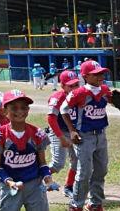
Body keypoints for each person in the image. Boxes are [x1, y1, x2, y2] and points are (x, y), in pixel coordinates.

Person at [61, 60, 118, 211]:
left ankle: (95, 203)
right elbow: (63, 110)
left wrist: (115, 100)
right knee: (84, 172)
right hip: (84, 136)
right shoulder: (79, 93)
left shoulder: (105, 90)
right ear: (85, 76)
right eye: (96, 74)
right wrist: (72, 130)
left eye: (102, 73)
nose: (100, 76)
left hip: (101, 134)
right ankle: (76, 205)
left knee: (101, 170)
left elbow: (111, 102)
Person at [0, 90, 57, 210]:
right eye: (14, 108)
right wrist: (9, 182)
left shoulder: (37, 133)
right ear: (5, 111)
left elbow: (42, 163)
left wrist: (48, 178)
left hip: (34, 185)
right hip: (10, 186)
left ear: (28, 110)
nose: (20, 111)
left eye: (24, 108)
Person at [47, 70, 80, 198]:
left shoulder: (80, 94)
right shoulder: (58, 97)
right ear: (63, 86)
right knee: (57, 164)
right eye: (70, 86)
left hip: (73, 131)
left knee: (77, 162)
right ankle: (34, 182)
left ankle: (68, 187)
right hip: (59, 131)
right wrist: (61, 137)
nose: (74, 88)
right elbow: (51, 119)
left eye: (76, 84)